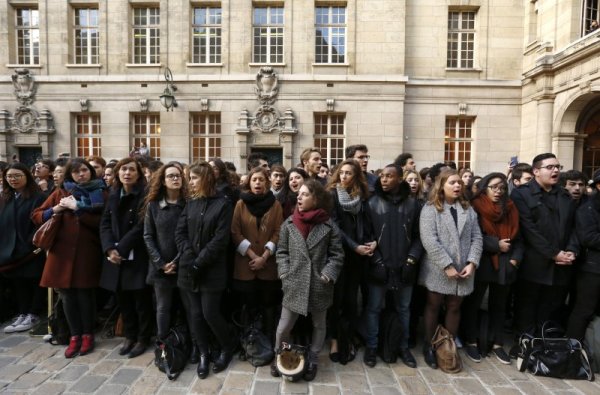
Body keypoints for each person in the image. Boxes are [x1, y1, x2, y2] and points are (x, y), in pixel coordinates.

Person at [32, 158, 108, 358]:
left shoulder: (101, 192)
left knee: (85, 295)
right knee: (66, 296)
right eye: (76, 172)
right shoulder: (61, 192)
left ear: (91, 171)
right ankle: (74, 335)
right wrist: (56, 209)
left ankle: (87, 334)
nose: (81, 174)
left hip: (87, 252)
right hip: (61, 253)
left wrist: (78, 209)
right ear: (70, 175)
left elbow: (103, 224)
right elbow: (37, 215)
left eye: (84, 170)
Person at [274, 179, 344, 381]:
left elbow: (337, 255)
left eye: (305, 194)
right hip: (294, 282)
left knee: (319, 325)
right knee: (283, 327)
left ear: (317, 199)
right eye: (299, 194)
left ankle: (313, 358)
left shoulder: (329, 226)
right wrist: (285, 272)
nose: (299, 197)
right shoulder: (289, 223)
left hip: (319, 284)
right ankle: (281, 355)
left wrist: (327, 274)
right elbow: (282, 252)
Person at [510, 153, 578, 353]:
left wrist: (572, 251)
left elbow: (574, 227)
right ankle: (524, 345)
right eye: (550, 167)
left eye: (558, 166)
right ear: (536, 171)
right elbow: (530, 230)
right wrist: (554, 253)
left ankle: (543, 346)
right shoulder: (521, 194)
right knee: (526, 307)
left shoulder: (565, 196)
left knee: (550, 308)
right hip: (534, 264)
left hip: (561, 265)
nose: (556, 170)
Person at [175, 162, 236, 378]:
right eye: (189, 178)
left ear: (206, 179)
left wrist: (200, 261)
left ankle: (226, 347)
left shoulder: (223, 204)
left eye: (193, 177)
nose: (189, 182)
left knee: (210, 313)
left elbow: (221, 240)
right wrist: (190, 257)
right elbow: (180, 232)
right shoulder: (190, 203)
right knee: (195, 314)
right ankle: (203, 352)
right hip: (188, 269)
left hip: (211, 270)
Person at [419, 169, 483, 369]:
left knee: (455, 306)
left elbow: (477, 237)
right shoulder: (431, 209)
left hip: (464, 268)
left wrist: (472, 262)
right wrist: (446, 265)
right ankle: (430, 345)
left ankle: (448, 346)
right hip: (438, 268)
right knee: (434, 305)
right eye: (452, 183)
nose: (457, 186)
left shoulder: (468, 209)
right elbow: (429, 240)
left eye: (459, 183)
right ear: (442, 186)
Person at [363, 164, 423, 368]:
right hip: (379, 266)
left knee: (404, 308)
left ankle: (403, 346)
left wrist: (411, 260)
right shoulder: (372, 203)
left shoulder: (413, 205)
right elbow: (367, 236)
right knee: (374, 308)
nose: (384, 180)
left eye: (389, 176)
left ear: (399, 179)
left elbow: (418, 236)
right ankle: (372, 346)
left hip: (404, 266)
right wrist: (376, 261)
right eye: (382, 176)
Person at [461, 173, 522, 365]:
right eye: (494, 187)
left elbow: (519, 238)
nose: (498, 191)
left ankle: (497, 343)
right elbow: (472, 235)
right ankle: (471, 340)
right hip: (482, 262)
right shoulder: (475, 206)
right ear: (484, 187)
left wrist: (514, 261)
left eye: (502, 188)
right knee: (473, 303)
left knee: (499, 305)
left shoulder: (511, 207)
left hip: (506, 264)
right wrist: (496, 245)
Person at [99, 158, 153, 359]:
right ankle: (129, 335)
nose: (127, 173)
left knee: (141, 300)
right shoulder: (112, 194)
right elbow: (104, 223)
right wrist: (109, 249)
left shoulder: (145, 196)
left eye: (132, 169)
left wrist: (119, 248)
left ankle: (143, 337)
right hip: (115, 256)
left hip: (136, 253)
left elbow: (141, 226)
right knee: (123, 299)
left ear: (139, 174)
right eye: (123, 169)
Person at [326, 159, 375, 364]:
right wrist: (354, 245)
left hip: (359, 256)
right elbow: (334, 226)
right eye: (342, 172)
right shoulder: (332, 195)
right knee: (336, 301)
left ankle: (350, 338)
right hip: (339, 254)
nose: (344, 176)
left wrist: (373, 242)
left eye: (349, 173)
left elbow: (369, 222)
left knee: (352, 301)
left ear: (356, 177)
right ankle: (336, 340)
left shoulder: (363, 197)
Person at [231, 167, 283, 341]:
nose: (258, 183)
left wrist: (264, 257)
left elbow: (278, 231)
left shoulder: (275, 204)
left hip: (268, 264)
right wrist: (254, 256)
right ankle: (247, 340)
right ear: (249, 183)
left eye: (261, 179)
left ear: (266, 182)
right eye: (254, 180)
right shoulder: (240, 204)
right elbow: (235, 232)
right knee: (247, 304)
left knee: (268, 304)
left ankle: (268, 338)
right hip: (246, 263)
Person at [143, 163, 187, 343]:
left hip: (183, 264)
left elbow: (190, 237)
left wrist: (177, 260)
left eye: (178, 176)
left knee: (185, 307)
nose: (175, 179)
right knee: (163, 307)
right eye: (171, 176)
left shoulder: (189, 204)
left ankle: (183, 342)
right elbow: (148, 236)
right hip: (160, 267)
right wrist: (160, 263)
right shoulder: (153, 205)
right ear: (162, 180)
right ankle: (163, 344)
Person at [0, 163, 46, 333]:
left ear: (27, 176)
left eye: (17, 175)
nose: (13, 179)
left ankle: (33, 313)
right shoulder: (6, 197)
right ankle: (22, 312)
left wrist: (30, 243)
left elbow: (40, 222)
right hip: (9, 249)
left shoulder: (38, 197)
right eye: (10, 176)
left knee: (33, 280)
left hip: (30, 248)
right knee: (18, 282)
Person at [567, 169, 600, 341]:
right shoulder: (587, 208)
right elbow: (589, 238)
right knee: (583, 310)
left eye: (581, 184)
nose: (577, 188)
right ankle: (572, 353)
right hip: (591, 268)